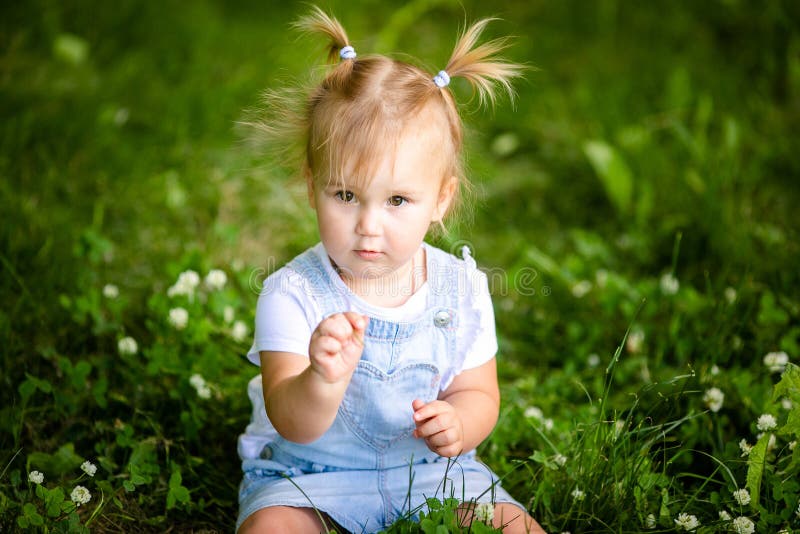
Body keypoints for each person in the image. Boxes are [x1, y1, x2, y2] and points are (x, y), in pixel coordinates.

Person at [237, 6, 546, 533]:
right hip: (311, 477)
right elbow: (293, 420)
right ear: (313, 187)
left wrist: (461, 423)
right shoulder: (291, 293)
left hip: (433, 471)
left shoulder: (462, 290)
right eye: (346, 195)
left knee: (511, 524)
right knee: (272, 527)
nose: (368, 225)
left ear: (442, 199)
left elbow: (480, 392)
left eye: (398, 199)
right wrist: (321, 379)